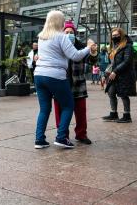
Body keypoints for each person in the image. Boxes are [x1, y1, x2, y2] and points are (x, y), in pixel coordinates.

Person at [34, 10, 94, 149]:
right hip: (55, 76)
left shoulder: (41, 37)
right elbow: (75, 56)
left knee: (44, 109)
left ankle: (39, 140)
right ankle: (61, 137)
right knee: (68, 105)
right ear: (59, 22)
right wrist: (88, 48)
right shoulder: (61, 37)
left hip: (39, 75)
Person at [53, 20, 94, 145]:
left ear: (75, 33)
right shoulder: (57, 46)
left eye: (71, 32)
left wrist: (93, 51)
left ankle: (81, 134)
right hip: (61, 83)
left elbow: (92, 61)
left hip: (78, 84)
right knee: (59, 111)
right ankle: (62, 135)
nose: (69, 34)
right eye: (66, 32)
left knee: (81, 111)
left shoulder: (82, 46)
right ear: (62, 33)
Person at [102, 27, 137, 123]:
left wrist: (115, 71)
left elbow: (127, 61)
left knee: (123, 94)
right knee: (111, 92)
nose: (115, 37)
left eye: (117, 35)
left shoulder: (127, 46)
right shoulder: (113, 46)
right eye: (113, 35)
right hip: (114, 73)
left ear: (121, 35)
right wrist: (106, 72)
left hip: (124, 74)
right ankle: (113, 113)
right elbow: (112, 63)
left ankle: (127, 115)